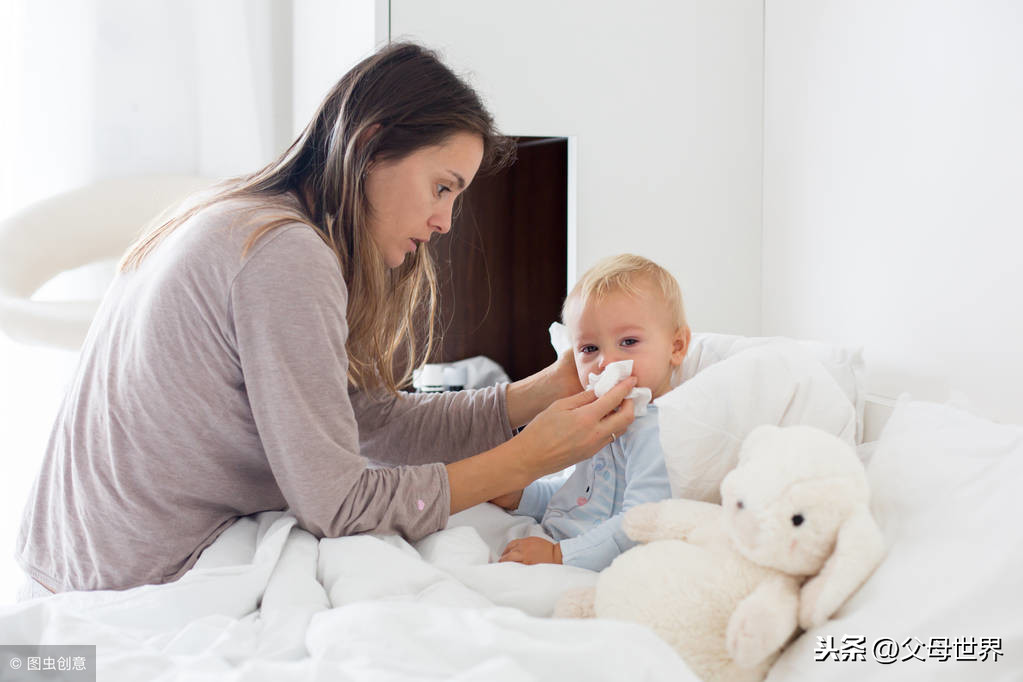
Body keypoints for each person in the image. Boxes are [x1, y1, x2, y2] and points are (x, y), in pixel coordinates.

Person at [15, 42, 638, 596]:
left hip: (67, 561)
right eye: (442, 187)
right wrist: (524, 460)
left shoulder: (242, 213)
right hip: (125, 581)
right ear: (370, 145)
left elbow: (365, 420)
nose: (446, 221)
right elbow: (337, 504)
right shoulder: (285, 254)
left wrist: (542, 392)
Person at [495, 254, 691, 571]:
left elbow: (638, 525)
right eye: (590, 349)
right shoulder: (598, 418)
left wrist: (560, 556)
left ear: (677, 347)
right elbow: (576, 497)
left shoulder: (659, 429)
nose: (605, 362)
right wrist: (523, 497)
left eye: (628, 341)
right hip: (554, 541)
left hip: (592, 564)